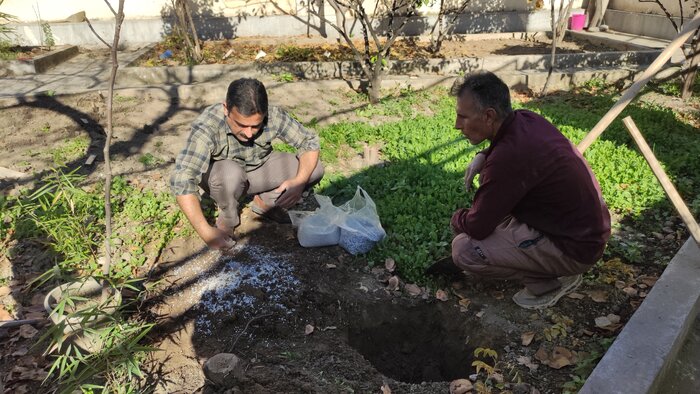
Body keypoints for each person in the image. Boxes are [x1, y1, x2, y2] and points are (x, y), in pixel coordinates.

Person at [449, 71, 611, 309]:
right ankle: (543, 261)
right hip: (584, 231)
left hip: (575, 247)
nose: (457, 125)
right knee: (494, 213)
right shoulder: (525, 119)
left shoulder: (508, 159)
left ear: (489, 116)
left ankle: (548, 282)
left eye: (463, 117)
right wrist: (483, 155)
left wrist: (457, 218)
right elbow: (505, 150)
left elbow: (477, 226)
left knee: (464, 249)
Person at [170, 78, 324, 251]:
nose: (249, 134)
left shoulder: (274, 116)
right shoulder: (208, 126)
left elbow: (309, 143)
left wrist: (299, 181)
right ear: (225, 109)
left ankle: (266, 203)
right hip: (224, 177)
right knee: (230, 174)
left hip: (258, 169)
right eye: (241, 125)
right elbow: (183, 179)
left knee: (314, 169)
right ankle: (228, 217)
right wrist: (206, 232)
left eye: (255, 126)